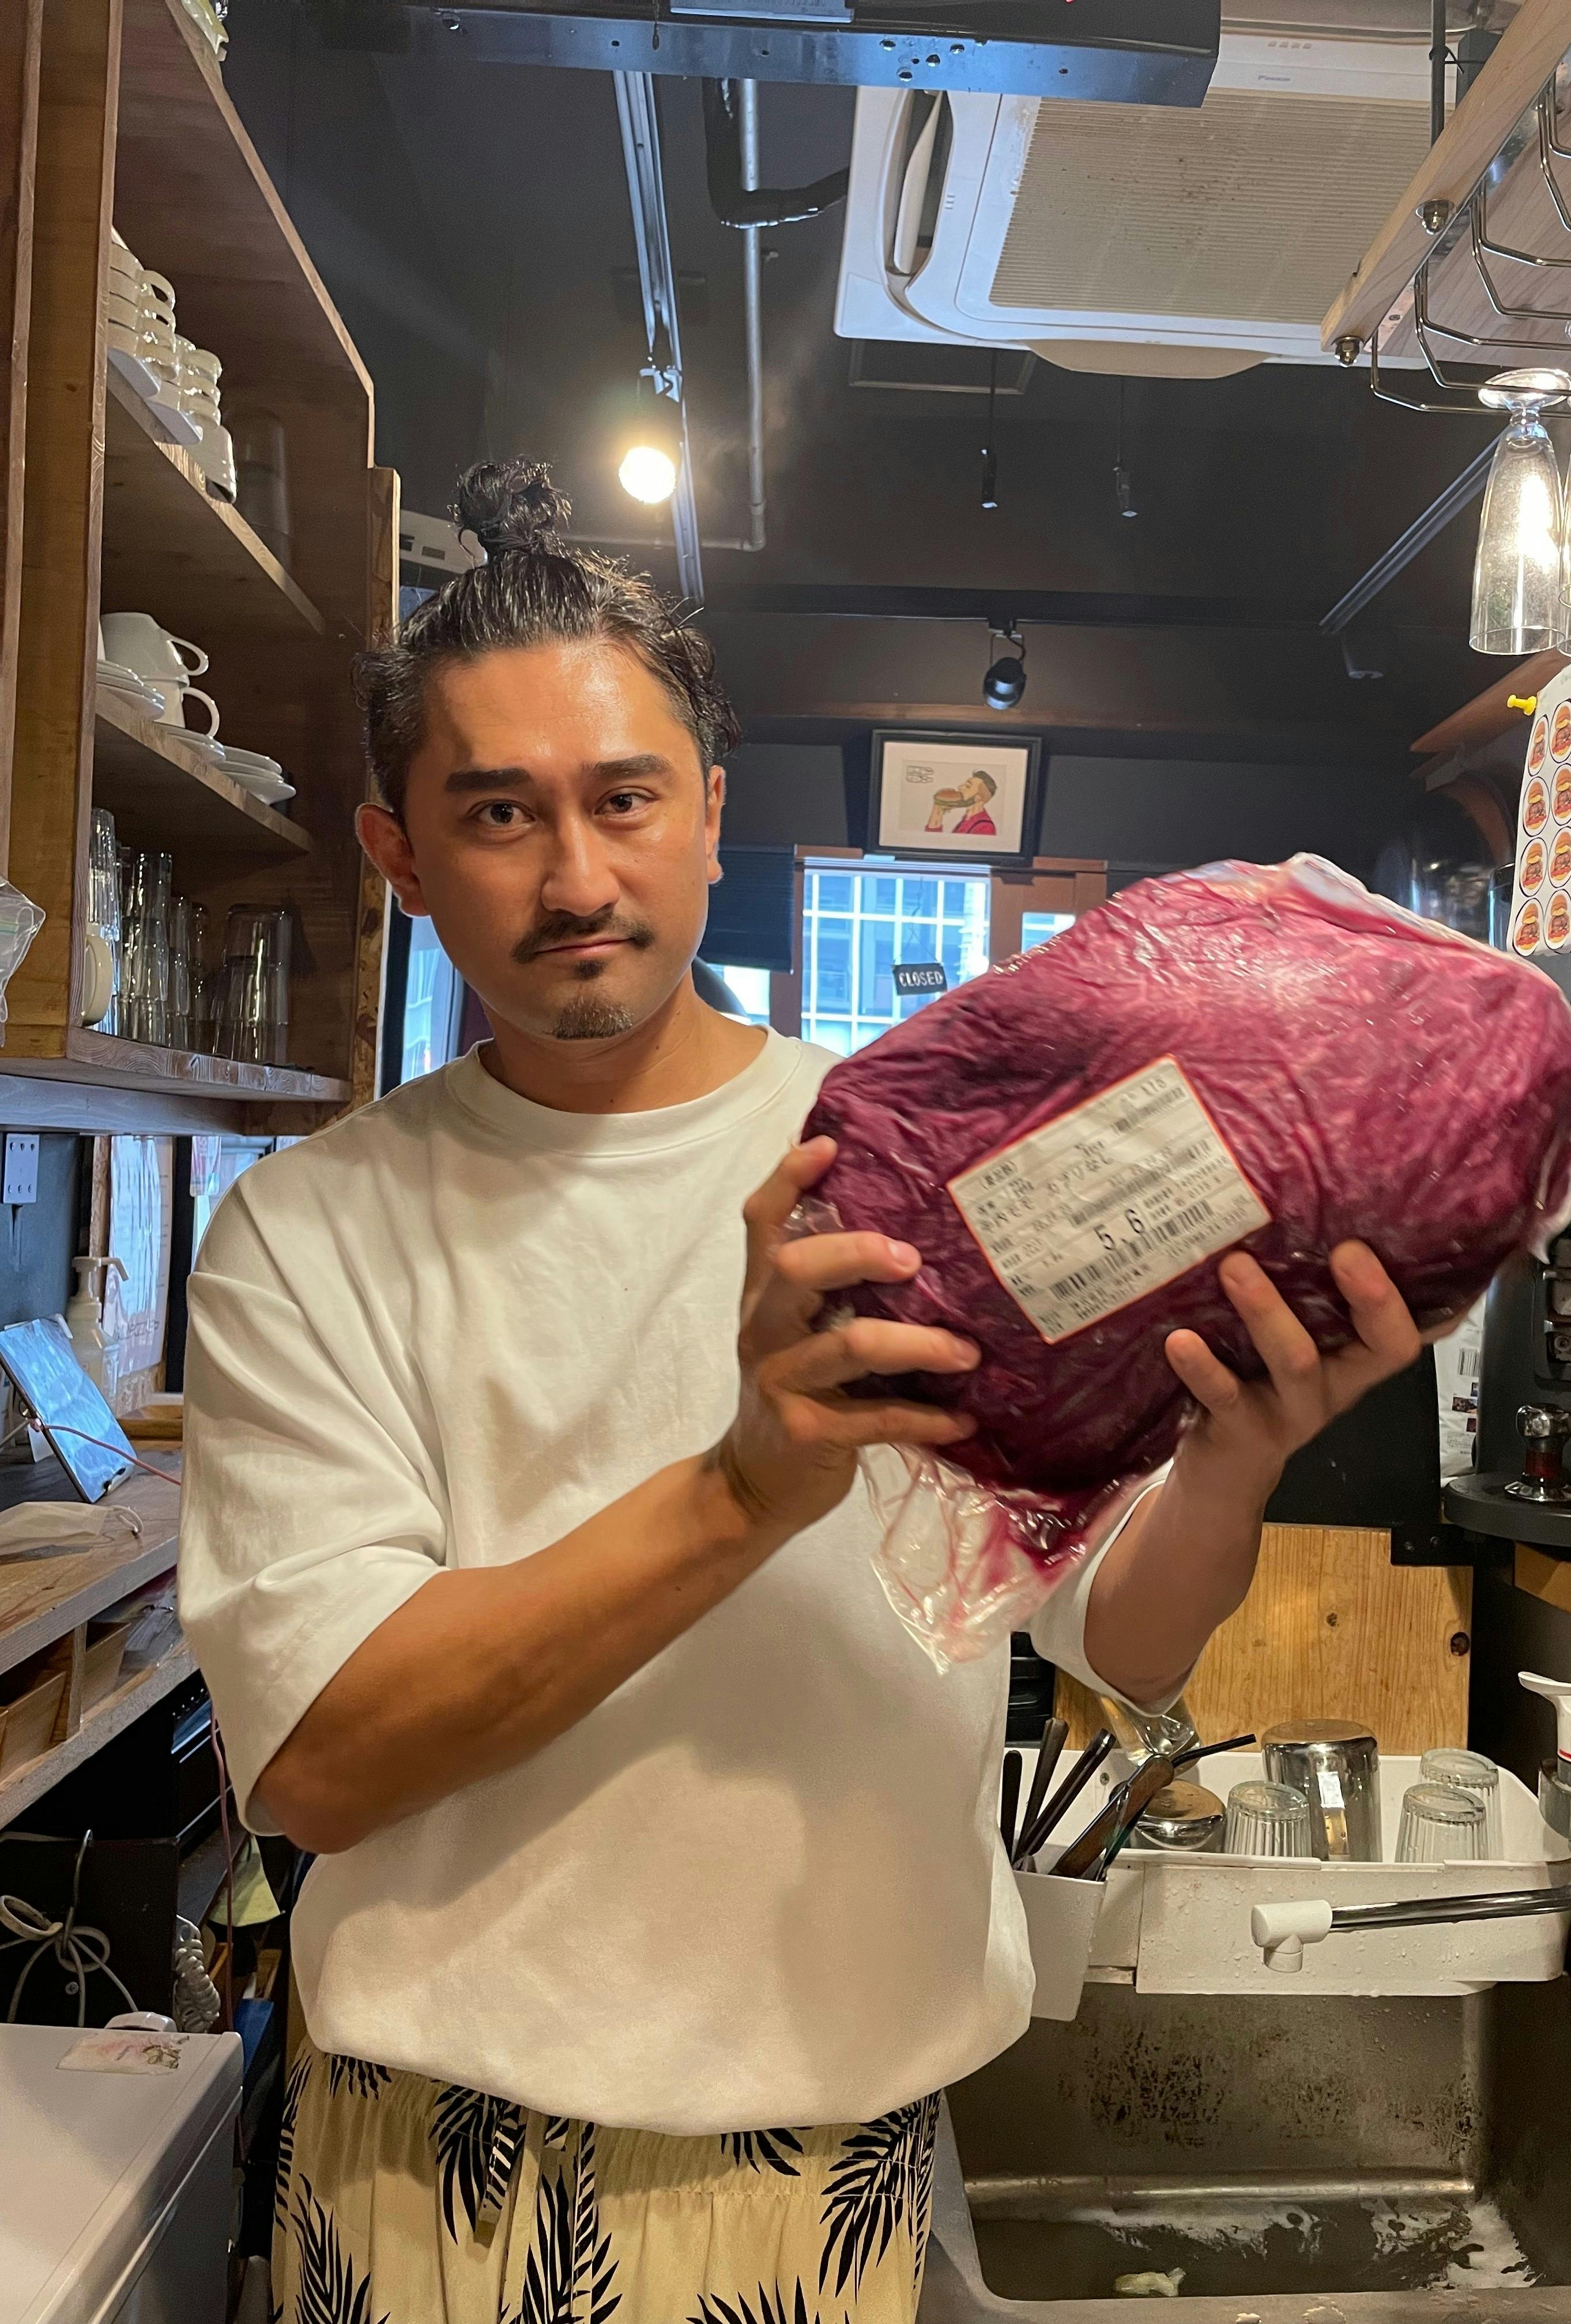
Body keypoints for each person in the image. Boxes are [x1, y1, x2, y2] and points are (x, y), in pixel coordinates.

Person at [178, 461, 1425, 2324]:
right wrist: (747, 1487)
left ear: (711, 810)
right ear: (401, 858)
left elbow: (1120, 1633)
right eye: (500, 814)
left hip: (841, 2157)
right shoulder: (307, 1234)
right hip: (438, 2161)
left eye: (625, 799)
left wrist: (1235, 1468)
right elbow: (324, 1764)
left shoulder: (924, 1164)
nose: (577, 877)